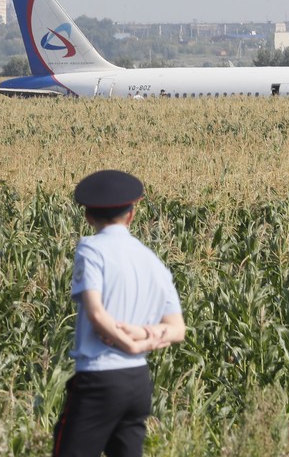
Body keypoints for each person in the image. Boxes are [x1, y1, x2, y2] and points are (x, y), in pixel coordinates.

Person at [53, 170, 185, 457]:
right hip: (137, 379)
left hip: (99, 378)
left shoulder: (91, 249)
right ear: (131, 214)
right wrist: (145, 338)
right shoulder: (152, 260)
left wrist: (129, 342)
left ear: (88, 217)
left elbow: (97, 315)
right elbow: (177, 329)